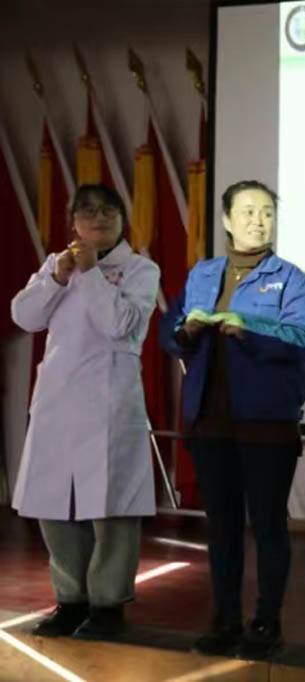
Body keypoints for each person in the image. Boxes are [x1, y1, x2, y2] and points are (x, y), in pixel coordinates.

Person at [160, 180, 305, 660]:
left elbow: (304, 338)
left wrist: (251, 328)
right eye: (248, 211)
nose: (258, 220)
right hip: (210, 422)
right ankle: (224, 620)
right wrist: (186, 330)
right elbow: (169, 333)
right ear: (227, 220)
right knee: (222, 527)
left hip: (267, 424)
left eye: (267, 212)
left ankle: (267, 622)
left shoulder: (290, 278)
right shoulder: (203, 273)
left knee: (268, 526)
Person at [10, 184, 160, 640]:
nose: (99, 218)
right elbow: (24, 317)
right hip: (58, 401)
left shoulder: (141, 269)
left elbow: (120, 324)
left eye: (108, 210)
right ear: (73, 221)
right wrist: (56, 278)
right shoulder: (56, 264)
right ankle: (70, 601)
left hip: (109, 402)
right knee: (55, 505)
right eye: (88, 211)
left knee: (112, 509)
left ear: (123, 219)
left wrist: (92, 273)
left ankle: (108, 606)